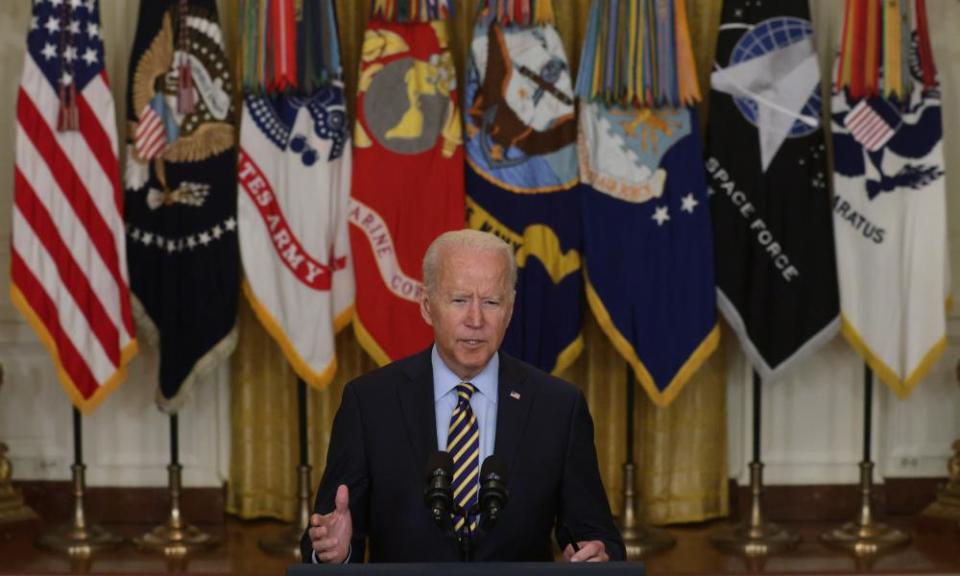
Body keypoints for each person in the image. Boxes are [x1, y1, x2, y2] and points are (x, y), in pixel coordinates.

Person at [301, 230, 625, 563]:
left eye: (491, 302)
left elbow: (596, 536)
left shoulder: (558, 407)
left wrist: (596, 556)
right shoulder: (369, 404)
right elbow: (330, 533)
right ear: (427, 307)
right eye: (459, 300)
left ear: (510, 311)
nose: (475, 320)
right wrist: (335, 554)